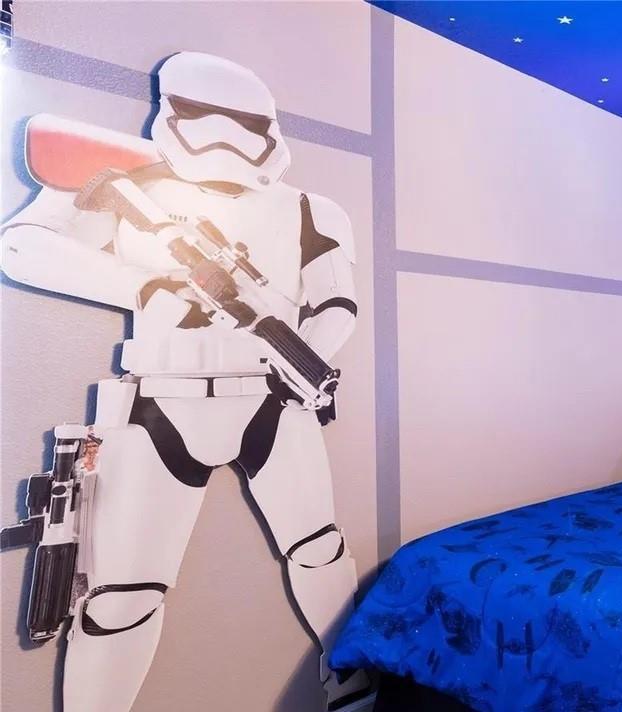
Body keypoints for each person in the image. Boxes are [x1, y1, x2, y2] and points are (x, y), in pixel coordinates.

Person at [1, 52, 369, 711]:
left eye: (243, 124)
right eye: (205, 116)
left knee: (318, 548)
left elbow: (336, 301)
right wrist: (146, 284)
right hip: (160, 401)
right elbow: (21, 244)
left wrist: (303, 359)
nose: (224, 137)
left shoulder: (309, 210)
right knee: (122, 595)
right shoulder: (130, 188)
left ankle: (350, 677)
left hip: (270, 400)